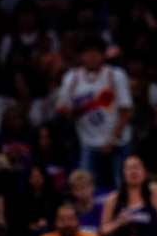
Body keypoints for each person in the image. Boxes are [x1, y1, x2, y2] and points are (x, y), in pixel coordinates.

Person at [55, 35, 134, 190]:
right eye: (87, 53)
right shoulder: (72, 78)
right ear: (80, 56)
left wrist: (111, 140)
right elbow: (62, 108)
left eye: (95, 53)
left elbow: (126, 111)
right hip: (88, 143)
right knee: (86, 188)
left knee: (120, 186)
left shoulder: (115, 75)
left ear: (103, 55)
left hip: (117, 142)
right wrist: (63, 110)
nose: (91, 57)